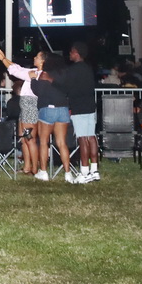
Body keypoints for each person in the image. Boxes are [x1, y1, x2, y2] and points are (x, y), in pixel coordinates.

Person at [0, 48, 41, 175]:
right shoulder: (33, 71)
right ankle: (27, 167)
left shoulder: (38, 74)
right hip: (24, 106)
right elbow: (18, 68)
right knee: (23, 139)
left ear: (43, 61)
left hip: (30, 106)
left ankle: (34, 169)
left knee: (30, 139)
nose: (34, 58)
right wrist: (4, 58)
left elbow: (16, 72)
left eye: (37, 57)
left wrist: (3, 59)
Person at [33, 53, 73, 183]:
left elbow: (38, 91)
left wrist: (33, 79)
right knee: (62, 142)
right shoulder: (64, 74)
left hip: (48, 108)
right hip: (63, 109)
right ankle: (68, 173)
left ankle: (43, 172)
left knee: (43, 142)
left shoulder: (45, 74)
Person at [63, 43, 99, 183]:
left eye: (71, 52)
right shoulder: (88, 68)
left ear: (77, 53)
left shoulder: (73, 70)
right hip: (90, 106)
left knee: (82, 139)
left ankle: (84, 172)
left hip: (79, 107)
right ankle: (94, 170)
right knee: (91, 137)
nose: (70, 54)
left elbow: (66, 87)